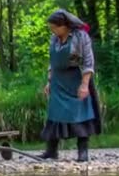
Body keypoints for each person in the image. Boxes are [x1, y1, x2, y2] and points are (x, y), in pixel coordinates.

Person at [41, 9, 101, 162]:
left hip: (76, 79)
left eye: (54, 27)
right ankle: (51, 151)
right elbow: (52, 62)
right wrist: (49, 81)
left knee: (80, 115)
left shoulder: (81, 37)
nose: (52, 30)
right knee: (54, 115)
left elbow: (88, 62)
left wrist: (84, 85)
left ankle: (83, 152)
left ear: (64, 25)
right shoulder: (54, 39)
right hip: (58, 81)